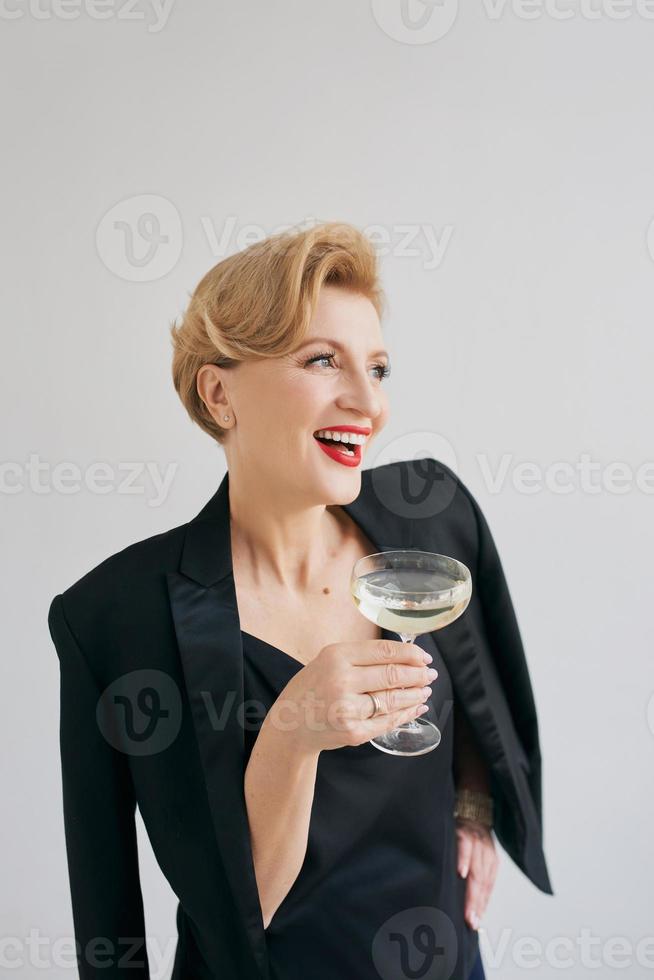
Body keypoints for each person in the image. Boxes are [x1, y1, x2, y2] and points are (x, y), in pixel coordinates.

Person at [48, 221, 553, 980]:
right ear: (220, 393)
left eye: (377, 369)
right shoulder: (112, 618)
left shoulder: (433, 514)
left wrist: (475, 803)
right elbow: (141, 922)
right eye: (322, 361)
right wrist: (292, 732)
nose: (368, 404)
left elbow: (480, 670)